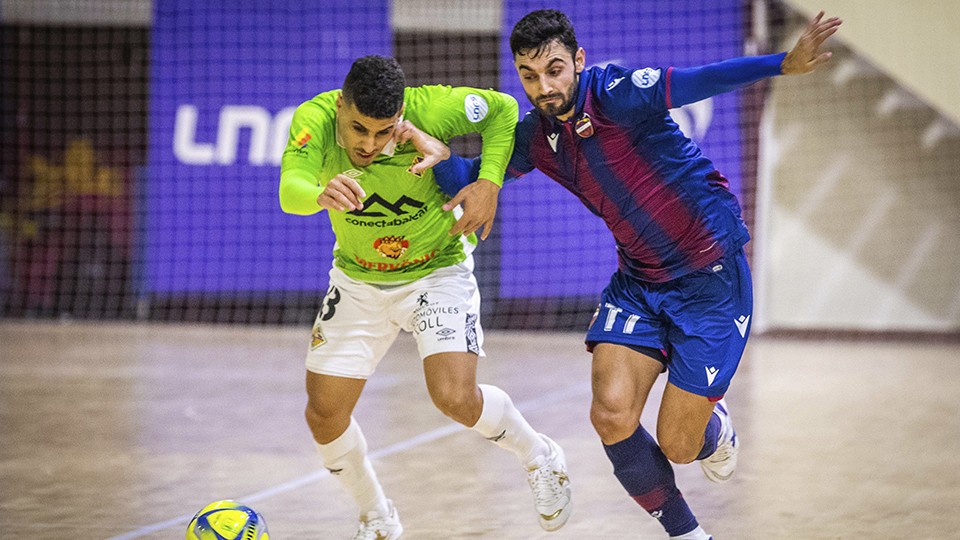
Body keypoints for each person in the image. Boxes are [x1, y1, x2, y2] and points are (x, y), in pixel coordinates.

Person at [434, 9, 841, 539]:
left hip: (710, 278)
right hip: (640, 280)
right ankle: (689, 535)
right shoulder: (536, 136)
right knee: (609, 415)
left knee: (678, 444)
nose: (544, 86)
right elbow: (471, 181)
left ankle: (713, 430)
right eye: (529, 76)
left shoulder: (617, 92)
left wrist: (782, 64)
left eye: (555, 69)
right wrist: (432, 151)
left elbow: (700, 80)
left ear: (578, 61)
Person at [278, 55, 572, 540]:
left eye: (383, 131)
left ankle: (540, 455)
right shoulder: (314, 117)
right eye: (358, 130)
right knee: (324, 413)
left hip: (436, 269)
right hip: (358, 279)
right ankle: (378, 517)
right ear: (341, 107)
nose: (369, 144)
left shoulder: (431, 109)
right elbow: (291, 188)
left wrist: (488, 182)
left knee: (454, 397)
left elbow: (501, 110)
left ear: (401, 115)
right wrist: (318, 193)